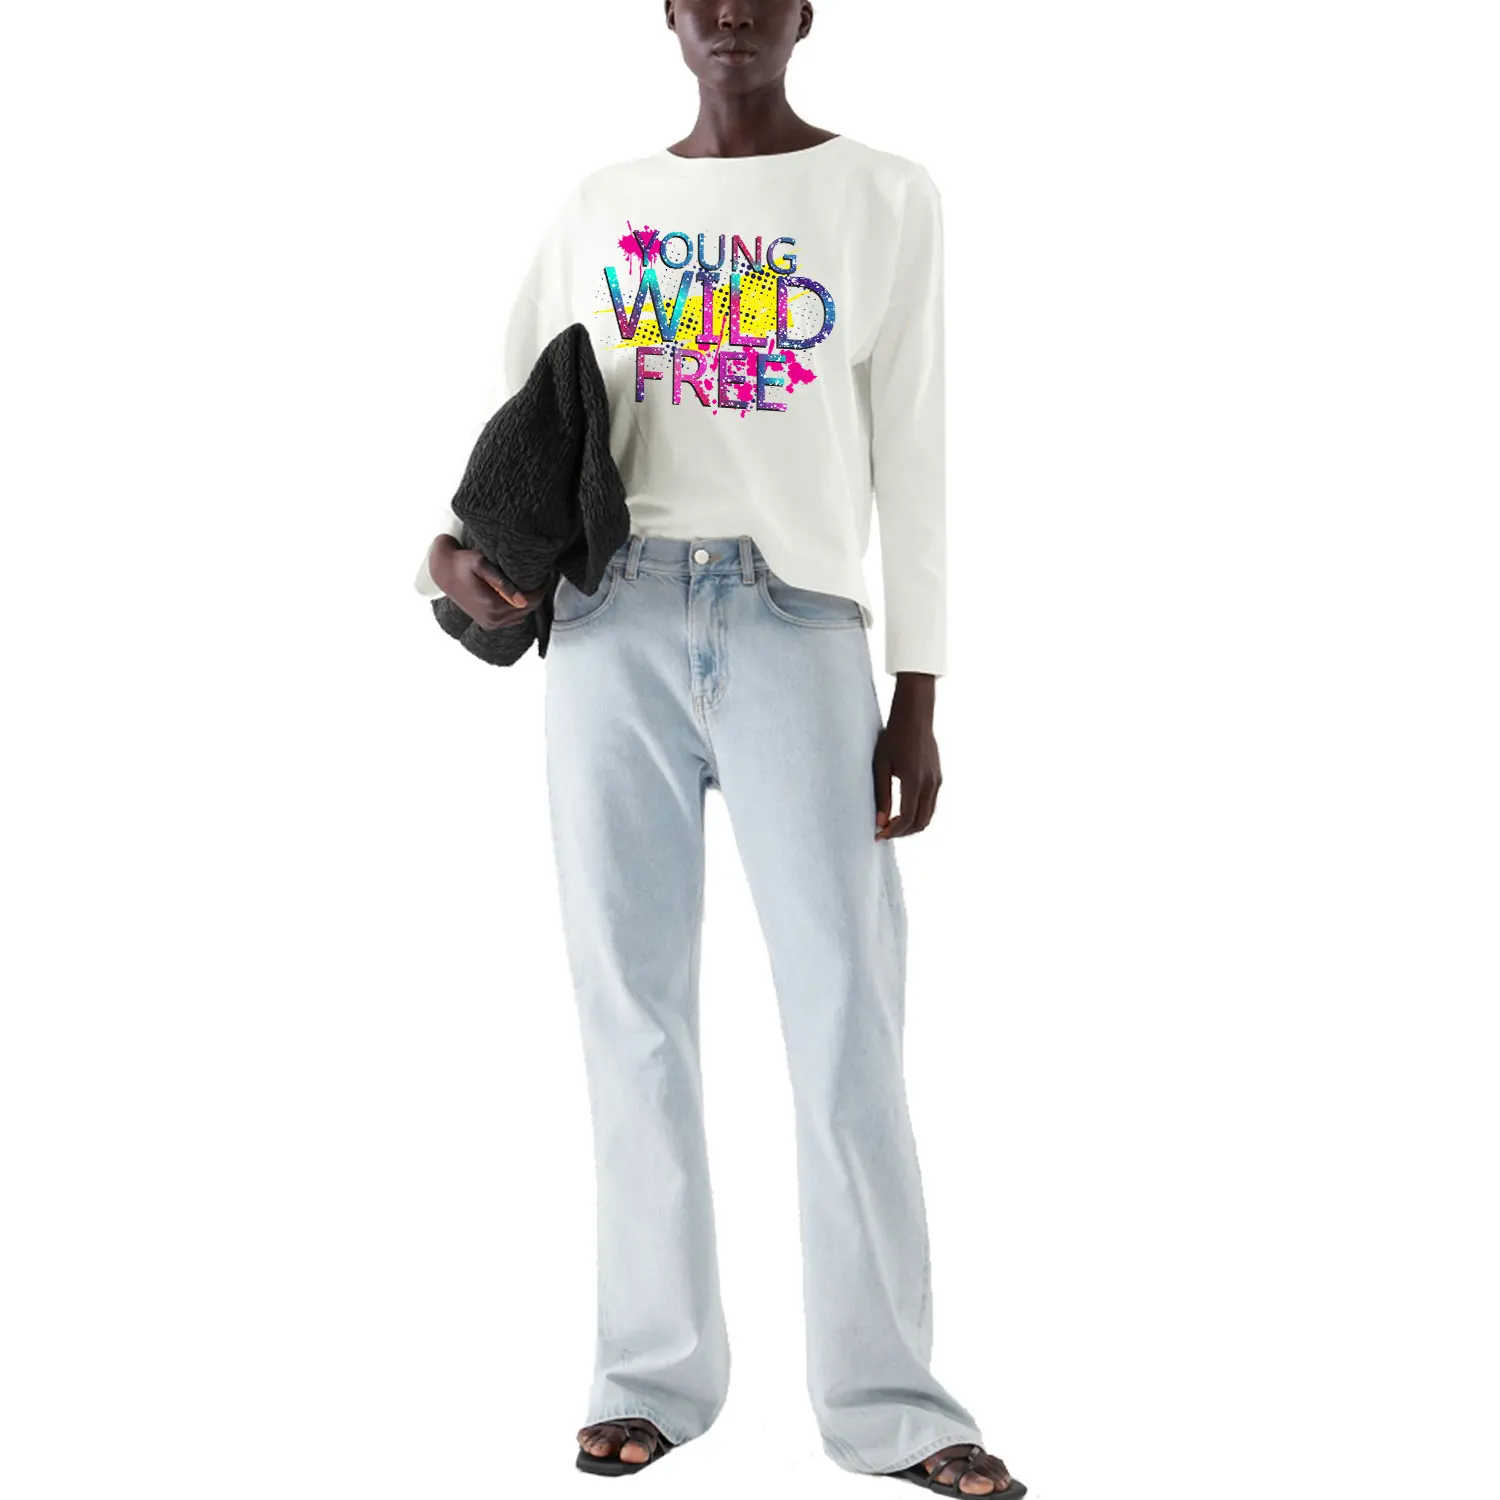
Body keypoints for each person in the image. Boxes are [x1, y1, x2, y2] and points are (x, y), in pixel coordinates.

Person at [413, 4, 1022, 1493]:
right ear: (670, 16)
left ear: (807, 13)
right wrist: (442, 561)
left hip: (796, 623)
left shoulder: (884, 195)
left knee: (846, 1015)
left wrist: (919, 684)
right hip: (608, 627)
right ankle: (648, 1378)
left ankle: (895, 1407)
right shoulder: (600, 204)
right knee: (631, 1011)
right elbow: (516, 424)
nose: (732, 10)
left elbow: (916, 447)